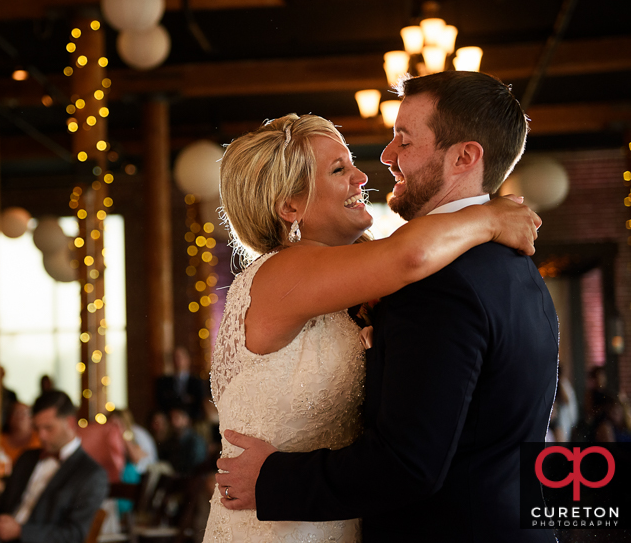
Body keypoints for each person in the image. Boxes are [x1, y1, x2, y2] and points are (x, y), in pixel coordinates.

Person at [213, 72, 558, 542]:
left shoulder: (435, 280)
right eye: (339, 170)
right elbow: (407, 254)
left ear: (464, 157)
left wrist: (276, 480)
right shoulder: (511, 265)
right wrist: (489, 213)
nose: (374, 166)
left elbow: (410, 461)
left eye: (404, 139)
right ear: (289, 206)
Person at [0, 390, 109, 543]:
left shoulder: (91, 474)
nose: (41, 436)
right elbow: (2, 506)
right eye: (37, 428)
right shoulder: (26, 458)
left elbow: (74, 534)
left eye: (48, 428)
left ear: (69, 423)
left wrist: (19, 531)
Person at [155, 346, 208, 422]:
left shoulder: (196, 382)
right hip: (170, 421)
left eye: (180, 357)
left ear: (188, 360)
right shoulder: (163, 382)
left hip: (192, 420)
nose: (178, 361)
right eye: (175, 358)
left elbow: (200, 403)